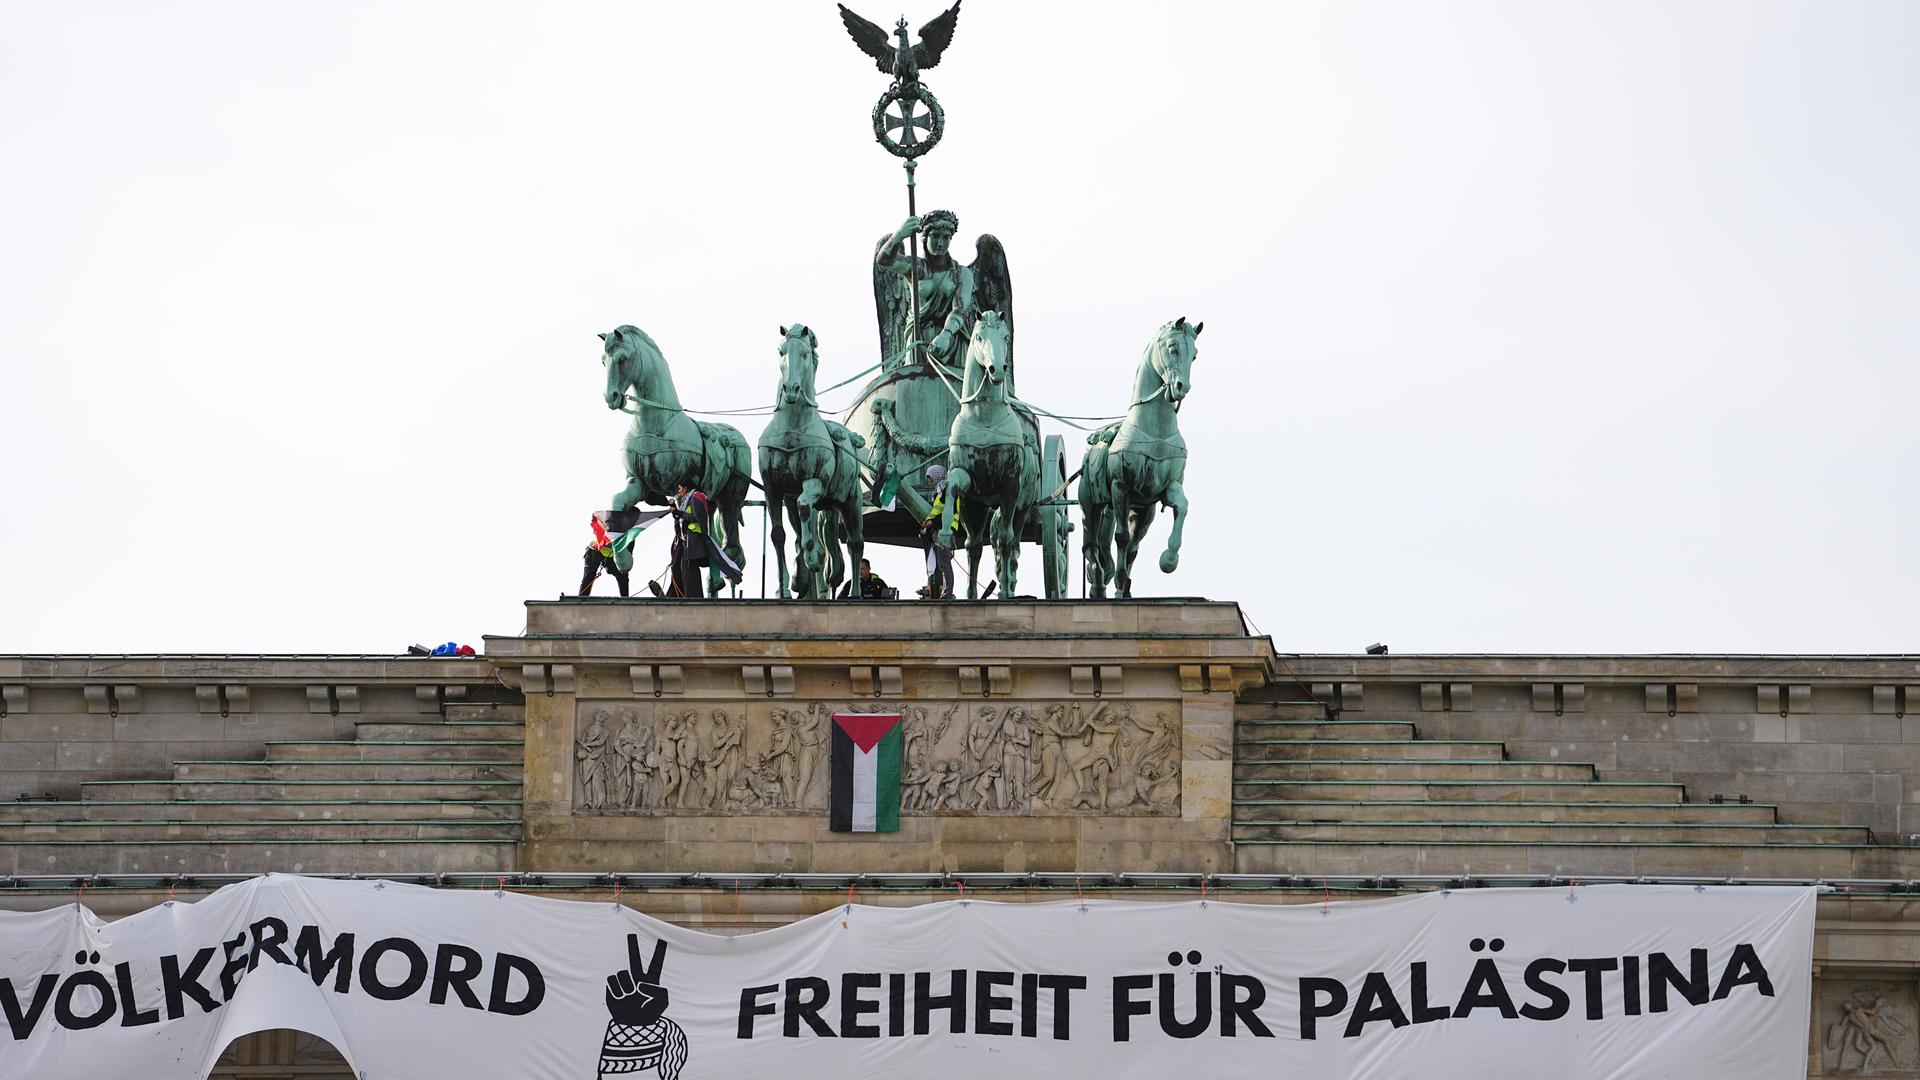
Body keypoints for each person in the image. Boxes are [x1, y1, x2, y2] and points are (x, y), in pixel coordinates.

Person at [667, 482, 742, 598]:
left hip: (695, 539)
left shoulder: (696, 496)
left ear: (686, 488)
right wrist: (676, 512)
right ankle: (682, 595)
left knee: (689, 570)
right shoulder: (686, 501)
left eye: (679, 489)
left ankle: (693, 597)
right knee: (684, 569)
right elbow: (683, 521)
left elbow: (696, 517)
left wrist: (679, 513)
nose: (678, 492)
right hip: (688, 541)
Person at [918, 464, 954, 599]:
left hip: (944, 531)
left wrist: (932, 522)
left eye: (931, 478)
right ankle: (946, 591)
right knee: (942, 563)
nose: (931, 481)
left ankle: (947, 593)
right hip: (939, 530)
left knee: (944, 564)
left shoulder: (946, 491)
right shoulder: (940, 491)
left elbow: (950, 511)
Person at [580, 513, 631, 597]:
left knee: (622, 575)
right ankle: (580, 600)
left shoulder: (630, 536)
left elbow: (626, 558)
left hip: (611, 556)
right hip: (595, 551)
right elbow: (599, 532)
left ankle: (625, 600)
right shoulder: (610, 524)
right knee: (588, 577)